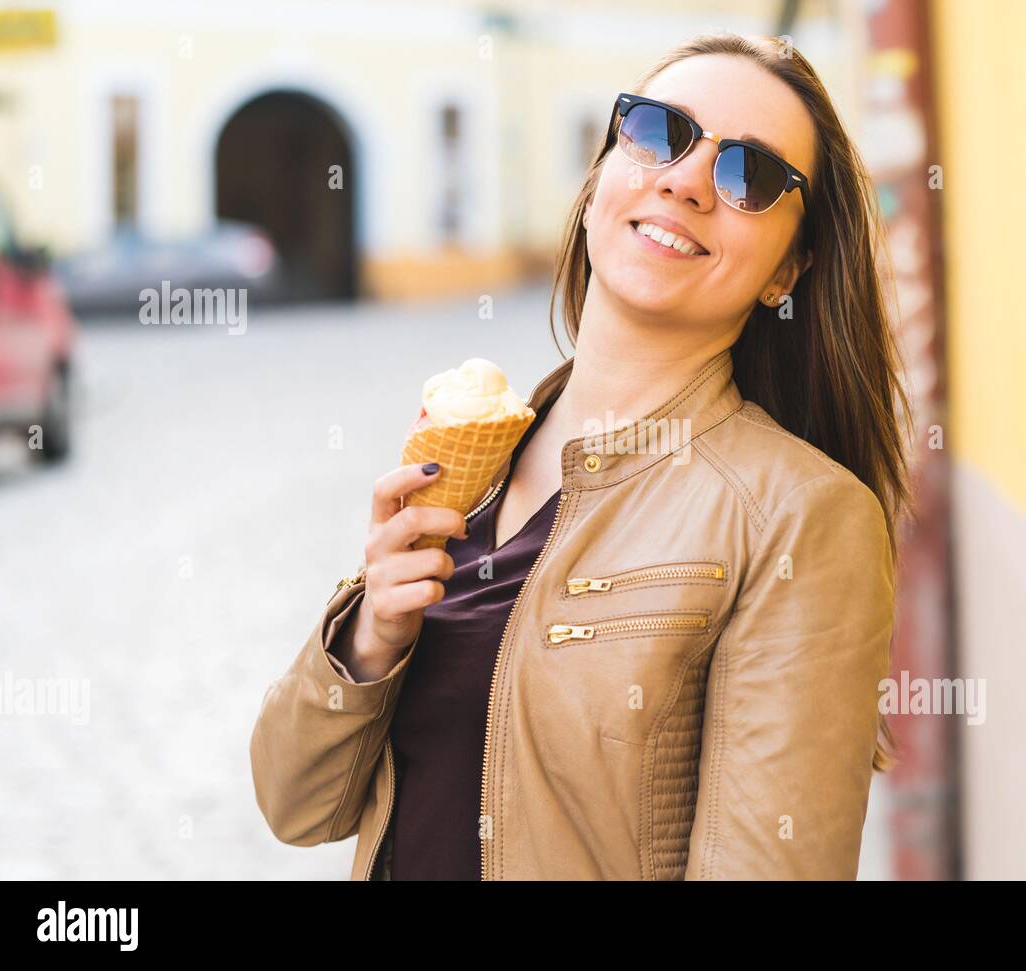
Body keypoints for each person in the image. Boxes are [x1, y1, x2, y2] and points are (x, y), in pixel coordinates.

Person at [250, 30, 913, 880]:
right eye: (657, 131)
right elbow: (295, 803)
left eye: (748, 173)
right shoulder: (476, 461)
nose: (685, 179)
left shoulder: (799, 516)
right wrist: (371, 635)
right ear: (601, 174)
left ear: (788, 268)